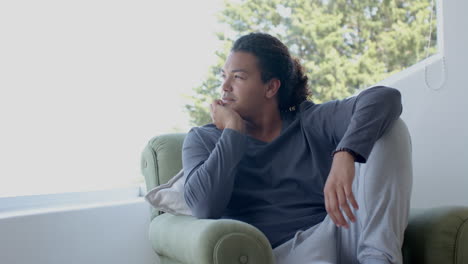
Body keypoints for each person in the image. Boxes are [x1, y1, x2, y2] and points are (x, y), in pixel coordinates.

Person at [182, 32, 412, 264]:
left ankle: (380, 259)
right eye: (224, 76)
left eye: (238, 77)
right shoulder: (203, 139)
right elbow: (204, 207)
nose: (225, 87)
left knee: (390, 127)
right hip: (283, 253)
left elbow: (385, 97)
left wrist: (346, 153)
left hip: (336, 228)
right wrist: (233, 131)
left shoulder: (308, 120)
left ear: (270, 87)